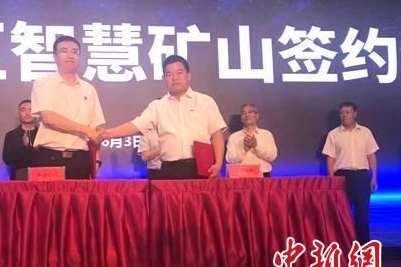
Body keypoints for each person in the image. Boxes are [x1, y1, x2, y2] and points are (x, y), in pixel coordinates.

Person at [98, 55, 227, 179]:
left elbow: (216, 134)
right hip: (169, 169)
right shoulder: (157, 106)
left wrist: (218, 163)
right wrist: (107, 134)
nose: (174, 78)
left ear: (189, 75)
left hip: (201, 168)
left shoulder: (205, 101)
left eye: (179, 72)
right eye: (169, 74)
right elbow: (136, 125)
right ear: (164, 78)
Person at [31, 35, 105, 179]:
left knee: (81, 195)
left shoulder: (89, 89)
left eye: (74, 51)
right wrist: (86, 130)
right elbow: (49, 118)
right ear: (55, 56)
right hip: (49, 157)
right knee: (48, 195)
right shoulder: (43, 82)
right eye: (64, 51)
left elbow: (95, 127)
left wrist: (97, 157)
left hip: (80, 159)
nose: (70, 55)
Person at [322, 101, 379, 244]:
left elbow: (371, 156)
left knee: (362, 213)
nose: (344, 115)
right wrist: (332, 179)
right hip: (342, 177)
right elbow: (330, 158)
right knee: (341, 213)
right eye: (342, 113)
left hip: (361, 176)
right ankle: (343, 245)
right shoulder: (333, 134)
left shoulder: (365, 132)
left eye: (347, 112)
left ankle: (363, 247)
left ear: (355, 113)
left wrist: (374, 178)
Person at [225, 103, 277, 177]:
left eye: (250, 112)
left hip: (263, 175)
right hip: (239, 176)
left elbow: (271, 157)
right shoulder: (234, 137)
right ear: (241, 118)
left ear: (257, 116)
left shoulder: (266, 134)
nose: (247, 115)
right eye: (244, 113)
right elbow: (229, 159)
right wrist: (244, 150)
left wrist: (256, 146)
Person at [2, 99, 39, 180]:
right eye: (23, 110)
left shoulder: (42, 135)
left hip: (40, 179)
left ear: (36, 114)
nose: (27, 113)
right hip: (18, 180)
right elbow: (7, 160)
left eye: (31, 110)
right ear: (18, 114)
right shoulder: (11, 135)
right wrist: (23, 146)